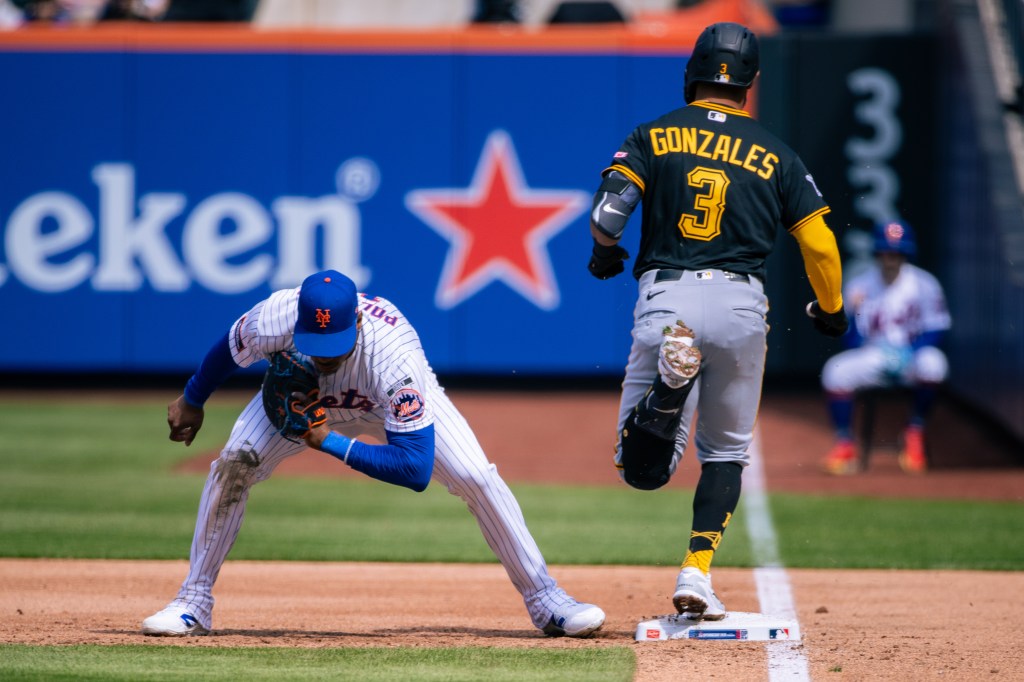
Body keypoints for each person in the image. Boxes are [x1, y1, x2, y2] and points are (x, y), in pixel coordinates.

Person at [142, 269, 605, 638]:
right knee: (234, 463)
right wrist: (192, 399)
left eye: (333, 346)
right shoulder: (275, 315)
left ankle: (547, 601)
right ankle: (193, 602)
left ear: (358, 322)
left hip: (379, 404)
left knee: (476, 478)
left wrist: (331, 442)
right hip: (309, 403)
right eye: (315, 344)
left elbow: (415, 467)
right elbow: (228, 349)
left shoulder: (394, 356)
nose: (324, 355)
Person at [586, 21, 846, 620]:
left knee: (639, 470)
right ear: (751, 83)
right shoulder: (777, 154)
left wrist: (603, 253)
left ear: (692, 73)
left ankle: (667, 397)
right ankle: (696, 574)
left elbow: (609, 214)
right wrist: (830, 312)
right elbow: (823, 247)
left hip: (669, 300)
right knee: (726, 454)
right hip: (740, 307)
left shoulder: (653, 135)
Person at [820, 220, 951, 475]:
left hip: (911, 356)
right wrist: (855, 312)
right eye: (885, 251)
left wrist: (911, 352)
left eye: (897, 251)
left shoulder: (925, 284)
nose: (891, 257)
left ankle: (914, 431)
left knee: (934, 364)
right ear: (877, 252)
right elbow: (849, 341)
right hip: (874, 355)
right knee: (834, 371)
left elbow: (937, 328)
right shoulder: (860, 285)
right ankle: (845, 443)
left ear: (906, 253)